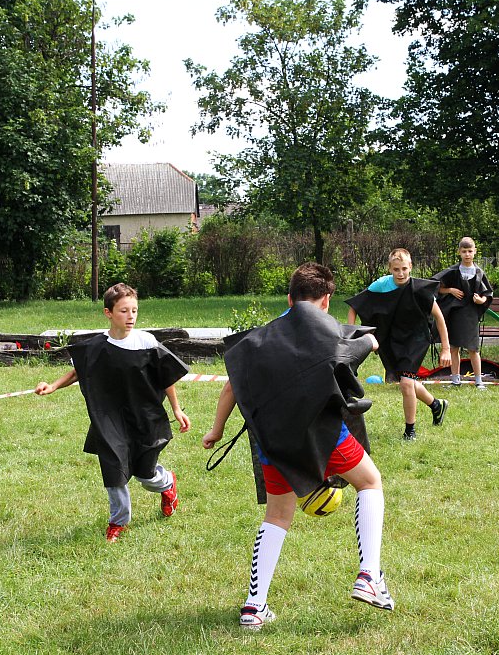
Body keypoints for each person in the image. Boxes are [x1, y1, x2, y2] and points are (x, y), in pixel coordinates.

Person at [202, 262, 392, 629]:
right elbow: (344, 357)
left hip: (272, 443)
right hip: (322, 436)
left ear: (289, 298)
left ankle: (254, 607)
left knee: (277, 516)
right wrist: (368, 341)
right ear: (326, 301)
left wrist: (216, 429)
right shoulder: (326, 328)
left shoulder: (260, 338)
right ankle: (369, 576)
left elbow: (231, 385)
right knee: (370, 482)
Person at [35, 283, 191, 541]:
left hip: (145, 417)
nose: (130, 317)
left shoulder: (146, 342)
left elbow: (166, 376)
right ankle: (118, 521)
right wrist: (51, 386)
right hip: (109, 419)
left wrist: (176, 408)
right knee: (113, 469)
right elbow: (77, 372)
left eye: (134, 311)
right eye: (123, 311)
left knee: (145, 474)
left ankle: (168, 483)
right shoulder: (96, 346)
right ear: (108, 313)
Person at [346, 248, 452, 440]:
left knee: (405, 383)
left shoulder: (420, 289)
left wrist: (445, 348)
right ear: (390, 268)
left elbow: (438, 316)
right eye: (396, 269)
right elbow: (356, 305)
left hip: (416, 339)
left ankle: (410, 430)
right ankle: (436, 405)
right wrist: (351, 335)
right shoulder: (381, 285)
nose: (401, 273)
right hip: (392, 340)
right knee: (407, 381)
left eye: (404, 268)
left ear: (411, 267)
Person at [434, 237, 494, 389]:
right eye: (464, 251)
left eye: (470, 251)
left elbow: (487, 294)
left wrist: (481, 300)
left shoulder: (479, 272)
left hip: (471, 315)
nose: (467, 254)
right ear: (459, 252)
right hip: (454, 314)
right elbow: (435, 286)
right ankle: (455, 380)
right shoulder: (453, 271)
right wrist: (450, 290)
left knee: (473, 349)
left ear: (475, 252)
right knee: (454, 347)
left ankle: (479, 381)